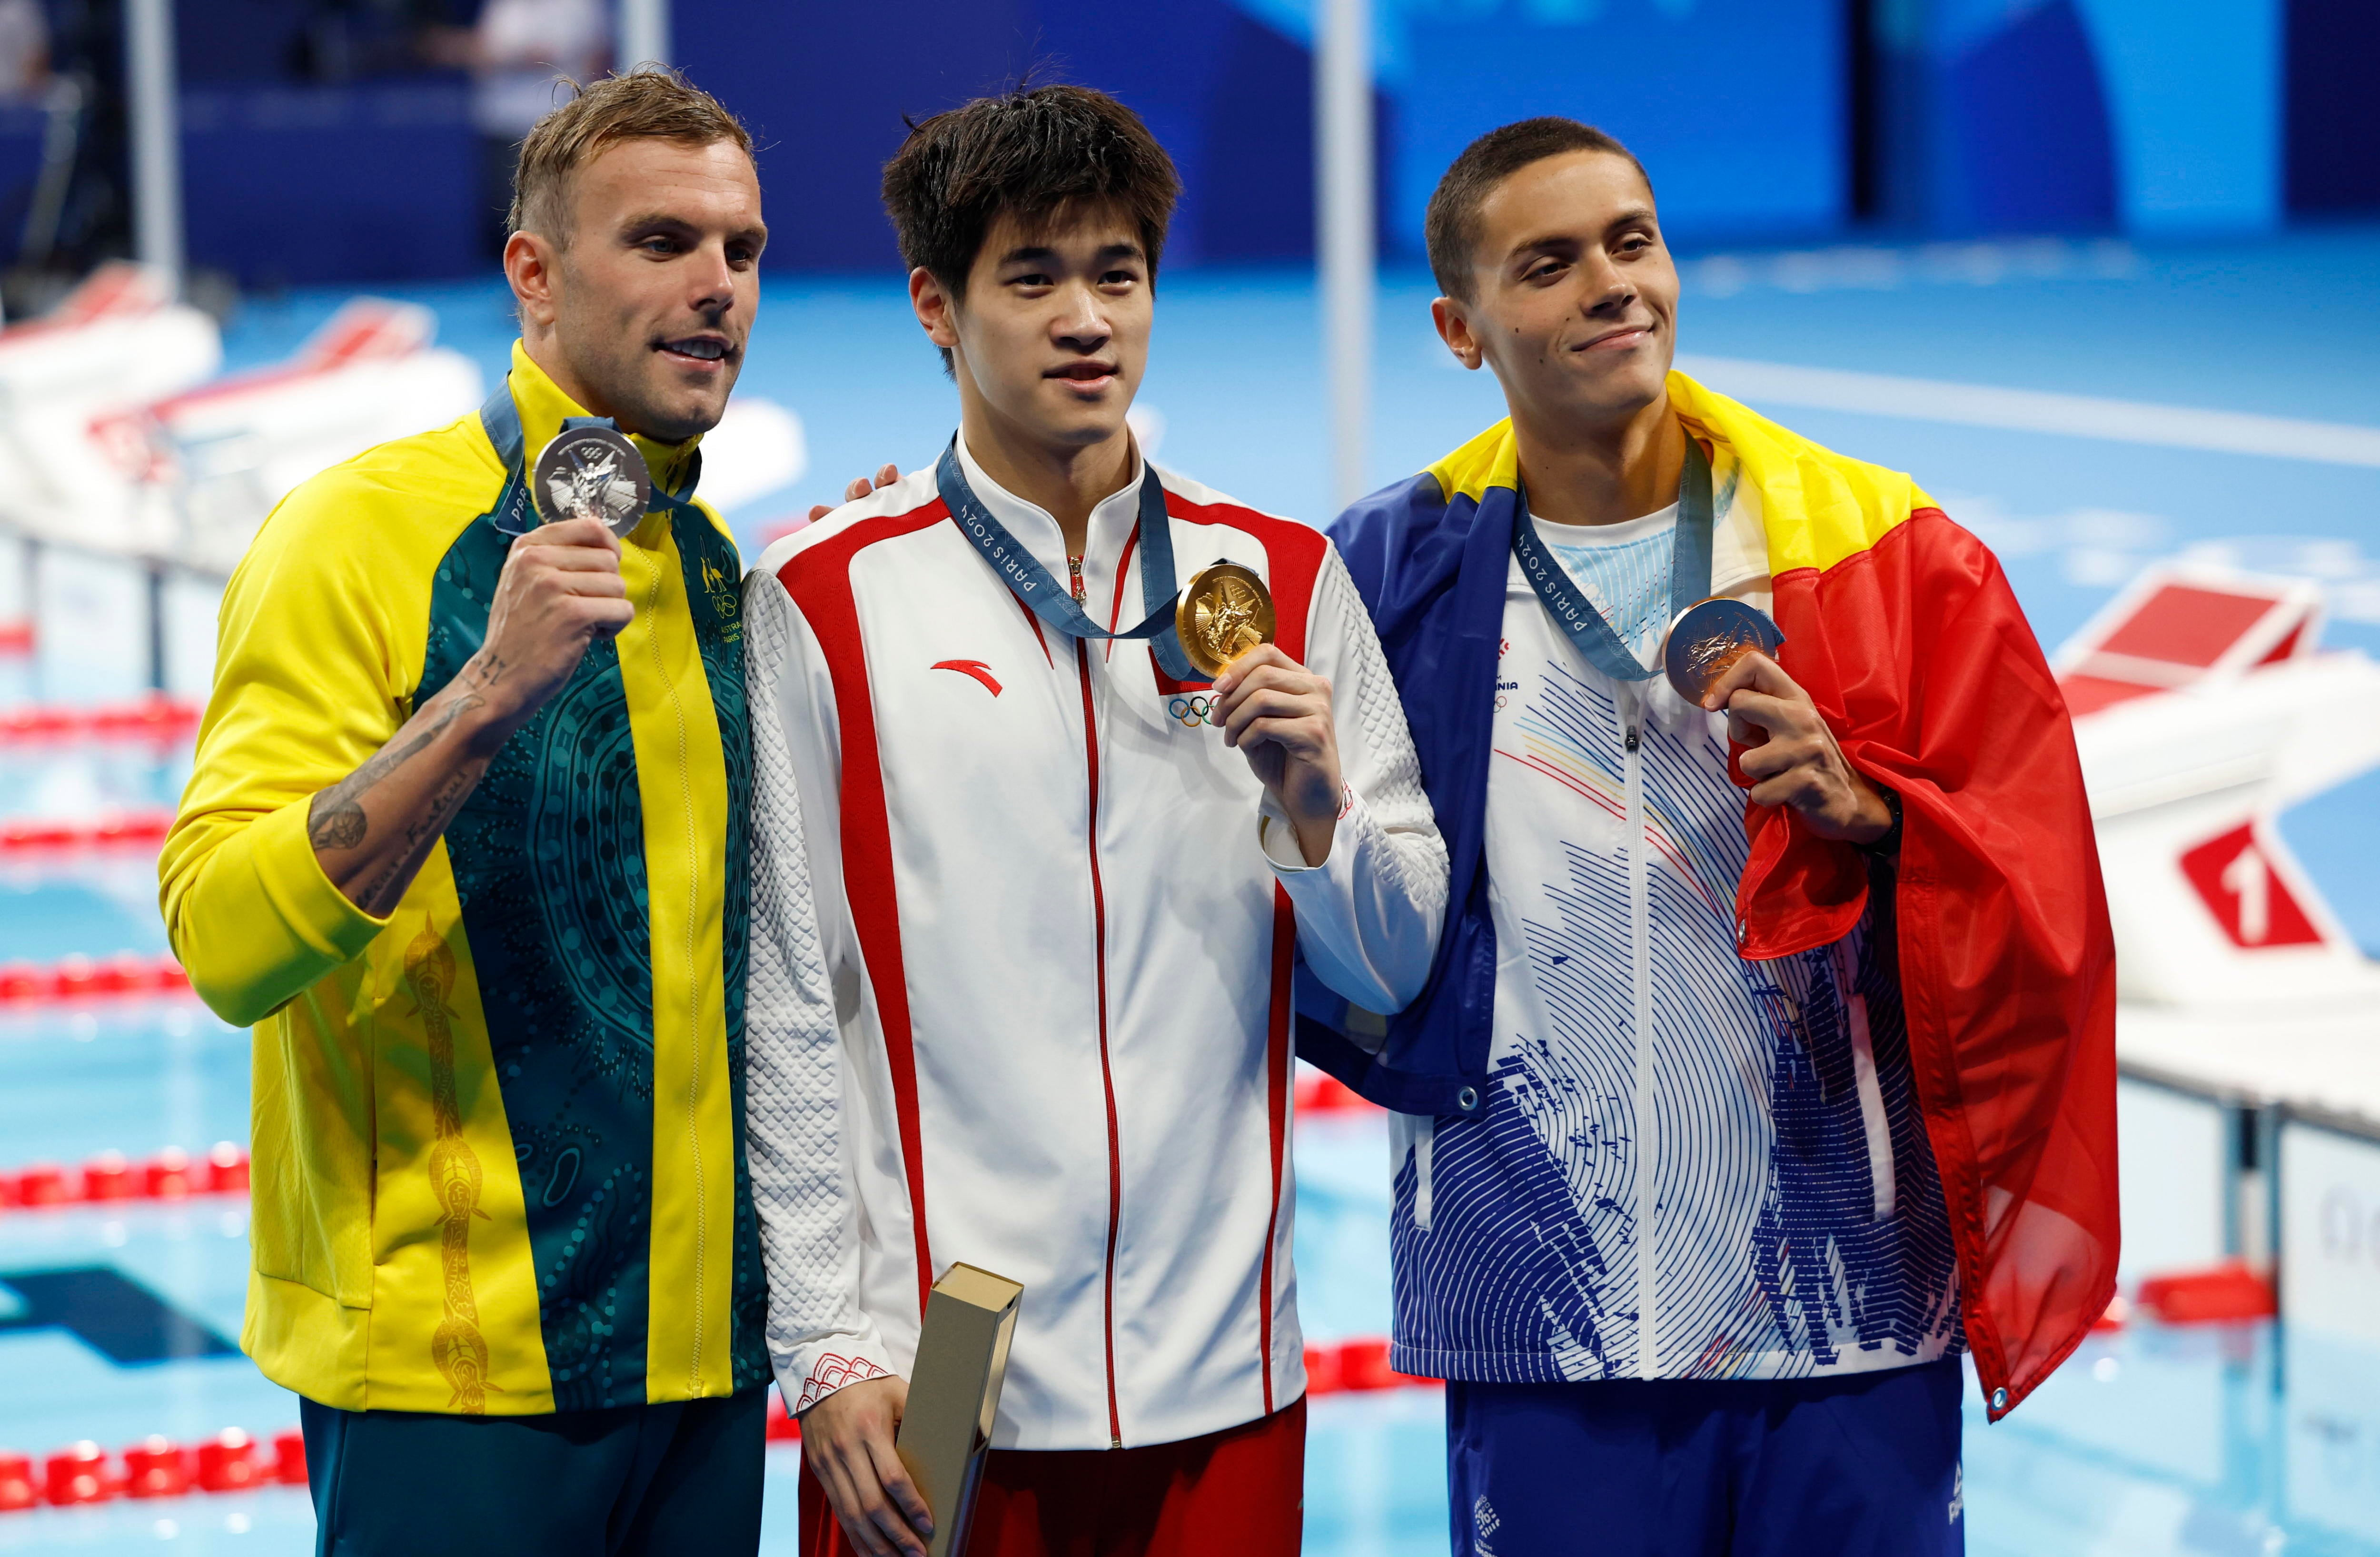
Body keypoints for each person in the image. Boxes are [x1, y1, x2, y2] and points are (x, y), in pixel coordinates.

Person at [1311, 119, 2119, 1555]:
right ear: (1460, 327)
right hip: (1537, 1305)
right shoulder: (1382, 571)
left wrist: (1880, 822)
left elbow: (2044, 874)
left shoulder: (1883, 547)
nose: (1614, 287)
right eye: (1550, 265)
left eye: (1634, 242)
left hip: (1847, 1298)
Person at [742, 84, 1448, 1557]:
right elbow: (787, 1001)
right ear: (937, 306)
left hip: (1226, 1361)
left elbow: (1393, 968)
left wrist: (1315, 810)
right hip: (939, 1370)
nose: (1086, 319)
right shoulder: (824, 598)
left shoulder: (1285, 578)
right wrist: (827, 1347)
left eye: (1116, 274)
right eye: (1033, 277)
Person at [158, 69, 772, 1556]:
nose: (716, 291)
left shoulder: (712, 569)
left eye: (742, 252)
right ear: (535, 274)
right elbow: (222, 937)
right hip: (455, 1380)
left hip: (707, 1370)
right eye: (664, 243)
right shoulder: (358, 537)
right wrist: (483, 694)